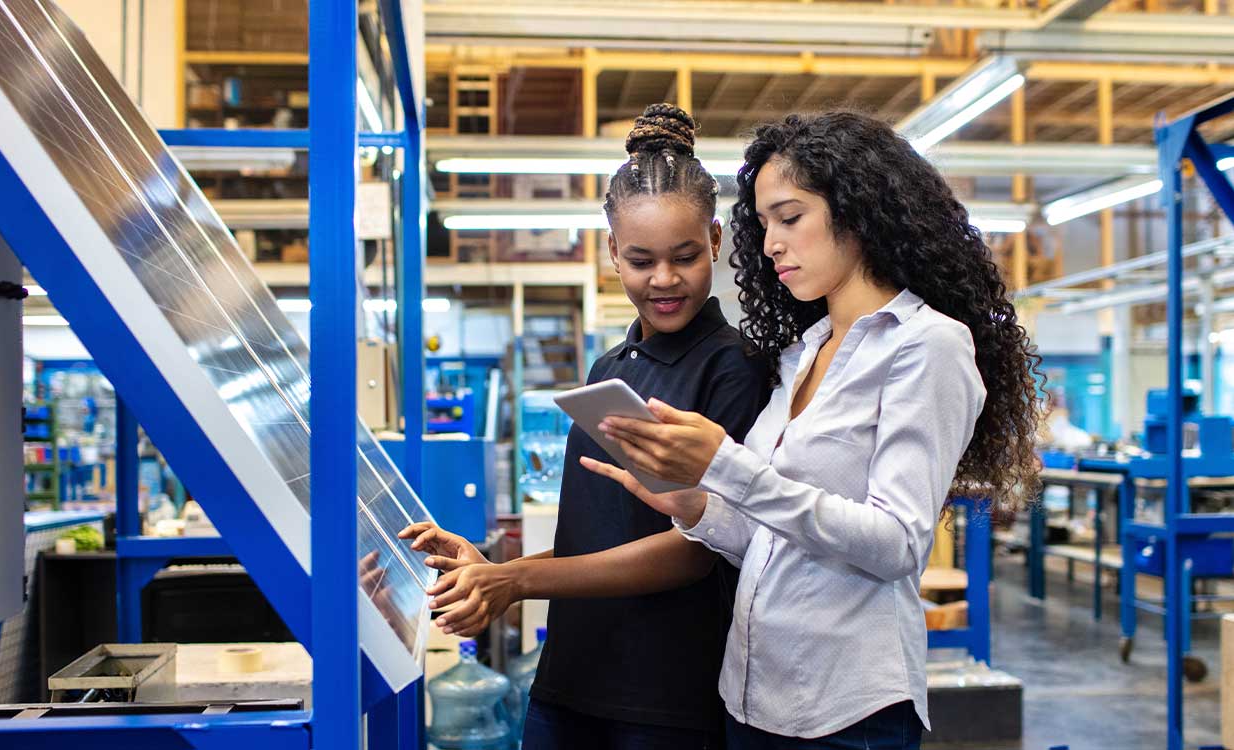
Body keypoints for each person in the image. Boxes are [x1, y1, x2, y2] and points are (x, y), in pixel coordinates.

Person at [583, 111, 1043, 750]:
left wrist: (727, 465)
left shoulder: (926, 346)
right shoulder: (804, 353)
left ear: (856, 211)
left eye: (790, 218)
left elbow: (896, 544)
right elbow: (771, 540)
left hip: (848, 711)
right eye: (764, 223)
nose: (770, 243)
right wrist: (696, 505)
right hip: (751, 696)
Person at [397, 103, 772, 750]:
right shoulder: (611, 368)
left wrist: (515, 582)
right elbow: (595, 540)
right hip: (569, 685)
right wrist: (495, 567)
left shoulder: (733, 369)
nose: (663, 279)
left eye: (684, 256)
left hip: (665, 700)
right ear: (611, 253)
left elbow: (695, 551)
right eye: (640, 259)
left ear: (715, 239)